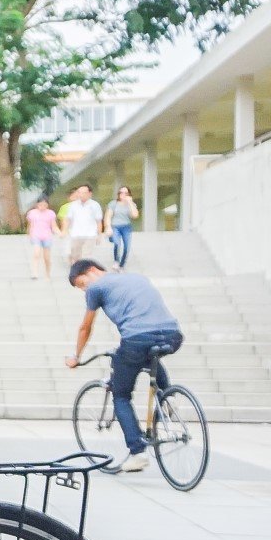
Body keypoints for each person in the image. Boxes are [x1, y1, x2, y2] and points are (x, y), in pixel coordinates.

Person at [65, 259, 183, 472]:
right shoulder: (137, 277)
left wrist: (76, 356)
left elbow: (85, 327)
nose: (84, 291)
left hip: (137, 339)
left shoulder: (97, 288)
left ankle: (137, 452)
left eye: (82, 284)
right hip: (172, 334)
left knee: (120, 395)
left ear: (92, 271)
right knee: (149, 356)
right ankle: (168, 398)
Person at [62, 184, 106, 265]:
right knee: (75, 256)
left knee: (86, 257)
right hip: (76, 234)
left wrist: (99, 235)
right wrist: (64, 231)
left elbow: (99, 221)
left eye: (84, 193)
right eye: (79, 192)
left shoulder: (95, 205)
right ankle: (76, 272)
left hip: (90, 235)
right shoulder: (73, 205)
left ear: (90, 194)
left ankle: (83, 273)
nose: (81, 195)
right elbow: (68, 219)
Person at [25, 196, 60, 280]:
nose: (42, 207)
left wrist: (59, 232)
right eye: (40, 204)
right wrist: (29, 234)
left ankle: (47, 273)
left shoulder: (50, 213)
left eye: (44, 205)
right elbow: (30, 225)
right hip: (36, 236)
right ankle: (35, 273)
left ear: (47, 205)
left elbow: (54, 226)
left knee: (46, 257)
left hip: (47, 236)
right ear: (37, 204)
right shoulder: (32, 213)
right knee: (36, 254)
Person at [107, 186, 139, 269]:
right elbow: (108, 216)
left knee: (126, 247)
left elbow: (135, 215)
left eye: (126, 193)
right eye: (121, 192)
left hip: (126, 227)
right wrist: (108, 227)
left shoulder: (131, 204)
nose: (123, 195)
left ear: (129, 194)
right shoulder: (113, 203)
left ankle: (121, 265)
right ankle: (116, 261)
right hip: (115, 226)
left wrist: (130, 203)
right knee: (117, 243)